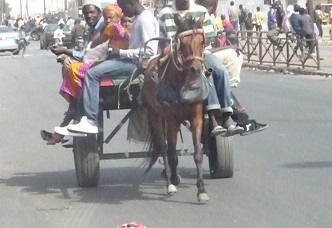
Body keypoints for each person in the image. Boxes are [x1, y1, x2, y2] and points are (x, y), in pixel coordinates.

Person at [158, 0, 267, 136]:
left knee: (221, 71)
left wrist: (195, 47)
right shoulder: (164, 14)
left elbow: (208, 39)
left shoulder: (201, 11)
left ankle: (227, 118)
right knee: (205, 74)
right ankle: (217, 119)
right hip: (177, 59)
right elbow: (162, 42)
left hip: (200, 54)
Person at [61, 0, 159, 135]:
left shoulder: (144, 20)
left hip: (135, 64)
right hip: (128, 60)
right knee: (90, 69)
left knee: (91, 73)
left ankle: (90, 121)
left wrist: (121, 52)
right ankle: (79, 117)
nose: (123, 12)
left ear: (131, 3)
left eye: (123, 7)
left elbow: (150, 52)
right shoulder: (139, 19)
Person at [41, 0, 106, 145]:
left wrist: (66, 51)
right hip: (96, 62)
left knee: (71, 70)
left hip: (101, 65)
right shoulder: (92, 28)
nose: (89, 16)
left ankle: (61, 132)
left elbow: (91, 54)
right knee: (67, 63)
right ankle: (62, 131)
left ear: (100, 13)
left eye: (92, 12)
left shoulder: (102, 28)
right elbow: (88, 53)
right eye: (86, 13)